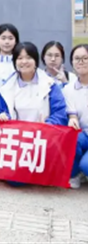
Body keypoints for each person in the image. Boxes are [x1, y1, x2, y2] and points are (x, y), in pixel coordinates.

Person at [0, 42, 67, 125]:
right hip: (16, 131)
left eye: (29, 58)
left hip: (43, 131)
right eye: (20, 58)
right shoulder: (6, 87)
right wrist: (3, 116)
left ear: (35, 61)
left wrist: (48, 124)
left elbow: (60, 113)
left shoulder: (50, 84)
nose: (24, 61)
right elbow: (2, 111)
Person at [63, 44, 88, 189]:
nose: (81, 62)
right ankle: (75, 173)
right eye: (77, 59)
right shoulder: (68, 89)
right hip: (84, 134)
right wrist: (73, 119)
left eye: (85, 58)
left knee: (86, 165)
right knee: (73, 139)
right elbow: (72, 114)